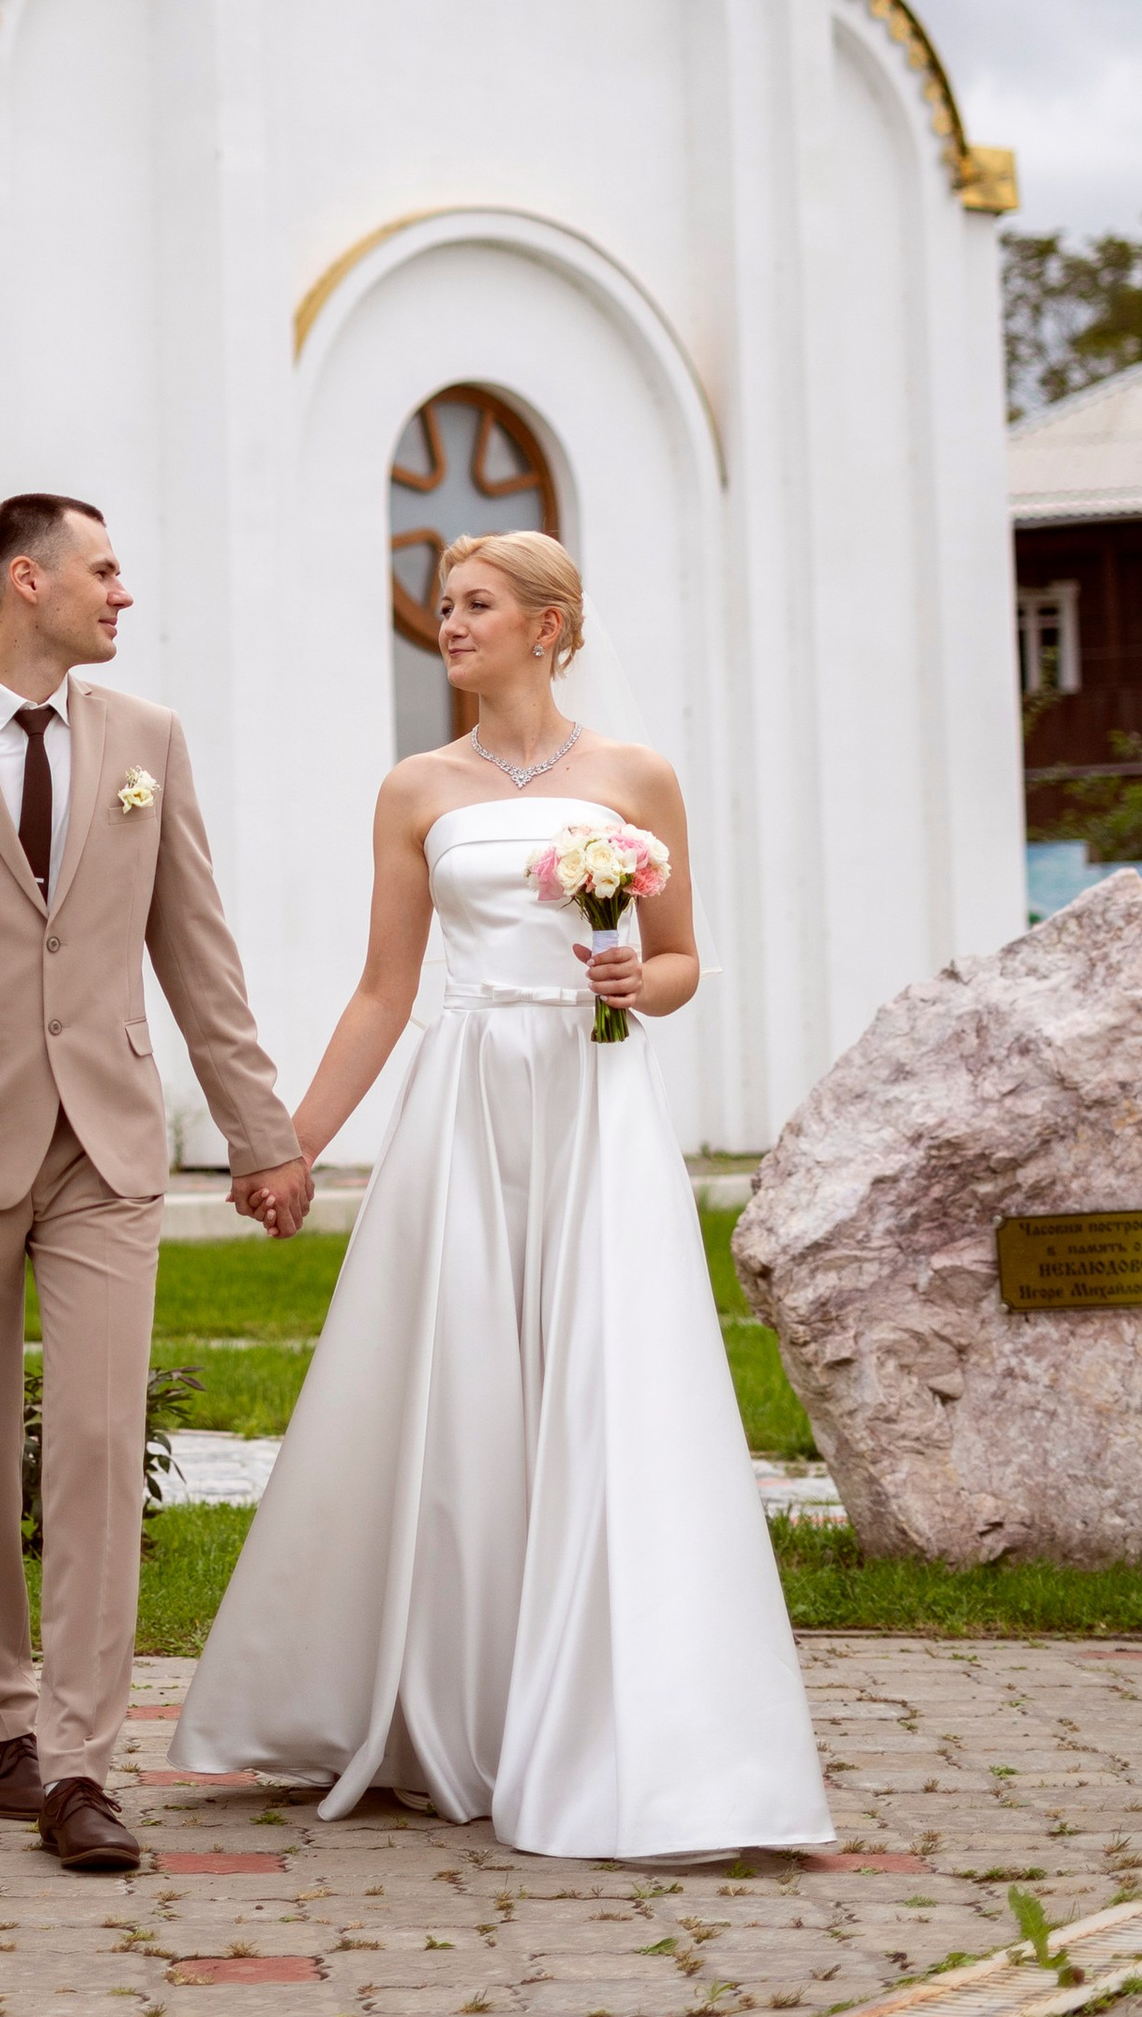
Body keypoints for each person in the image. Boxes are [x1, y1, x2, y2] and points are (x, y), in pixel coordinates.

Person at [173, 530, 831, 1861]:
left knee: (605, 1388)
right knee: (461, 1391)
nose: (450, 625)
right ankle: (452, 1707)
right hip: (467, 1106)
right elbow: (384, 990)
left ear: (550, 625)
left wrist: (639, 983)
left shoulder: (636, 777)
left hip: (595, 1105)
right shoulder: (416, 788)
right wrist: (287, 1145)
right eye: (445, 606)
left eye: (476, 604)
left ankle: (617, 1718)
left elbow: (682, 958)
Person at [0, 493, 312, 1871]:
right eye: (105, 570)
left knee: (96, 1448)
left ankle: (83, 1765)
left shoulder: (148, 741)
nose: (123, 593)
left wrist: (261, 1132)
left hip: (105, 1141)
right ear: (26, 581)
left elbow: (198, 951)